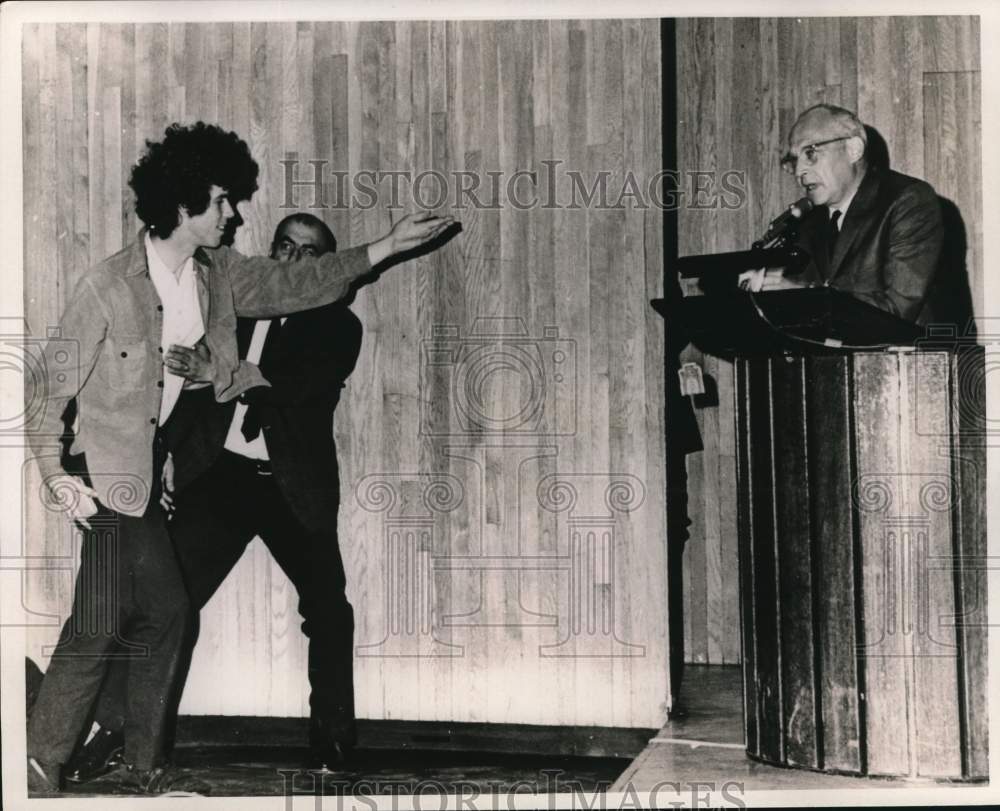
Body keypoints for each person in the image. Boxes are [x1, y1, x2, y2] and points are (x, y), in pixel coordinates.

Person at [24, 122, 454, 795]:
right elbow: (52, 386)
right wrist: (56, 474)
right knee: (112, 618)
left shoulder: (218, 277)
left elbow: (293, 296)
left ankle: (142, 764)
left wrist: (384, 247)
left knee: (165, 612)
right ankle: (48, 758)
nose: (235, 214)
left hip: (197, 477)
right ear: (188, 205)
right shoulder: (107, 285)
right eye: (224, 201)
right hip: (108, 475)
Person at [64, 213, 366, 784]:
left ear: (326, 267)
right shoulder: (231, 305)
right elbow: (179, 393)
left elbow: (304, 389)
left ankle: (333, 744)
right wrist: (168, 461)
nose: (293, 258)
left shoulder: (338, 326)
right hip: (221, 478)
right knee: (162, 607)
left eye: (310, 253)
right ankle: (115, 731)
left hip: (292, 486)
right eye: (285, 246)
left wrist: (223, 371)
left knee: (328, 610)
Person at [749, 103, 943, 324]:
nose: (800, 170)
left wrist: (805, 296)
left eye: (811, 153)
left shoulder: (908, 201)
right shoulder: (807, 222)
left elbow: (897, 309)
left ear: (853, 150)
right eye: (794, 160)